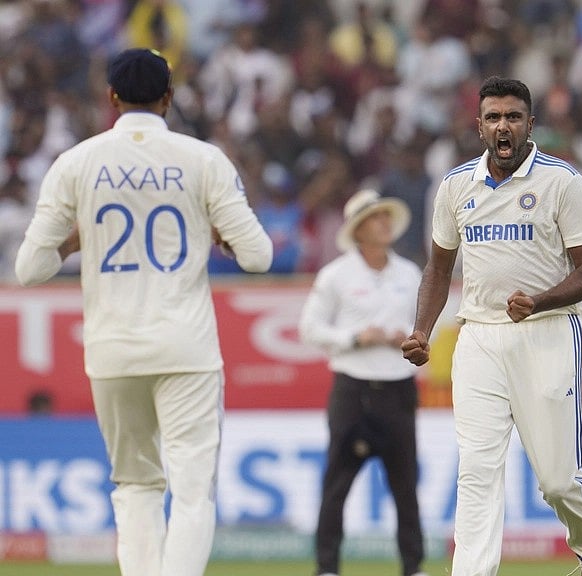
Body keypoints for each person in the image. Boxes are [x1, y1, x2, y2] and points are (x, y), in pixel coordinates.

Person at [14, 48, 273, 576]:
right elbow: (258, 257)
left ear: (111, 97)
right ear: (169, 98)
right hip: (186, 348)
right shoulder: (203, 160)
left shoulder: (77, 162)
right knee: (193, 490)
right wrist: (216, 233)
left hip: (112, 350)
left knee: (134, 485)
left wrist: (77, 240)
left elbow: (30, 269)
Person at [401, 76, 582, 576]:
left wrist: (539, 301)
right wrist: (422, 331)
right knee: (477, 470)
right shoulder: (457, 186)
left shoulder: (561, 181)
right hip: (479, 336)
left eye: (513, 117)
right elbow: (439, 268)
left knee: (558, 481)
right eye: (494, 117)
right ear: (479, 126)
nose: (504, 127)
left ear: (530, 124)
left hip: (548, 333)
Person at [298, 189, 428, 576]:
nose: (384, 223)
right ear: (358, 231)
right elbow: (310, 328)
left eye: (386, 216)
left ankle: (413, 567)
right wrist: (356, 338)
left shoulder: (409, 273)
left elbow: (427, 325)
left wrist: (407, 337)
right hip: (353, 390)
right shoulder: (336, 275)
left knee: (405, 486)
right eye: (374, 218)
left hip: (397, 388)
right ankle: (327, 568)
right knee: (336, 485)